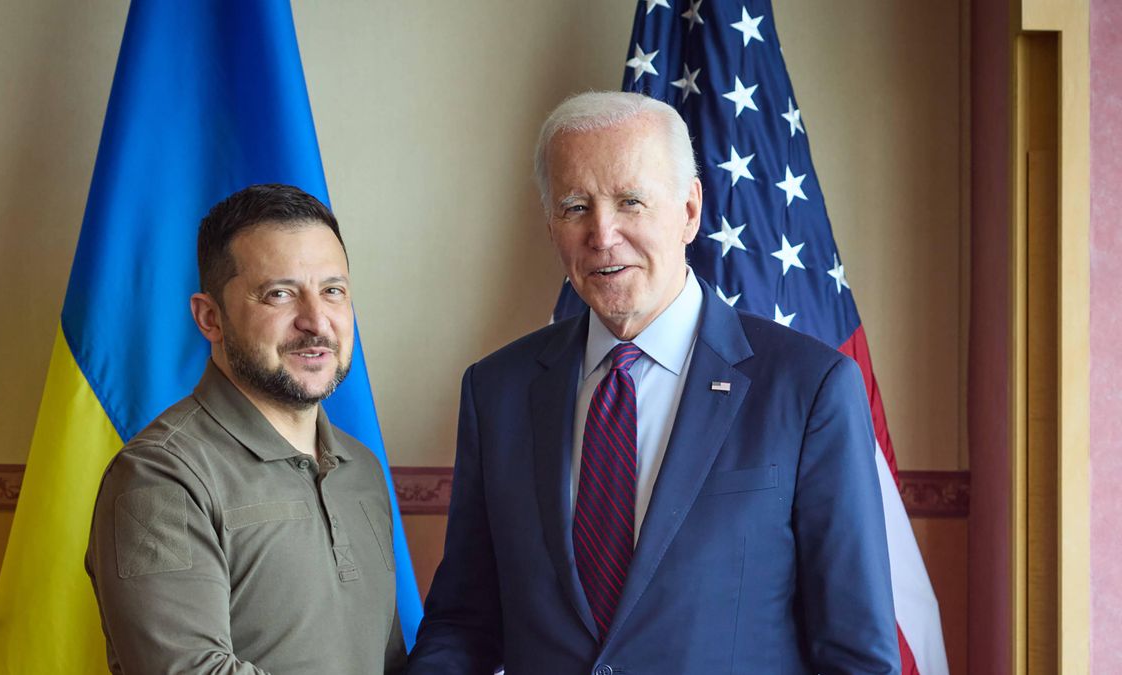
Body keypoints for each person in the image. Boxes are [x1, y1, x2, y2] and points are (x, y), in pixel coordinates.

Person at [407, 93, 899, 674]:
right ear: (550, 225)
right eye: (575, 207)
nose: (602, 235)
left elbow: (856, 655)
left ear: (689, 210)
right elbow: (464, 623)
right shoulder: (496, 391)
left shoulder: (808, 387)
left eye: (630, 202)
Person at [86, 184, 406, 674]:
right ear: (209, 317)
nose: (316, 321)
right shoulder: (158, 476)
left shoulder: (361, 468)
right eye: (280, 294)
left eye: (333, 291)